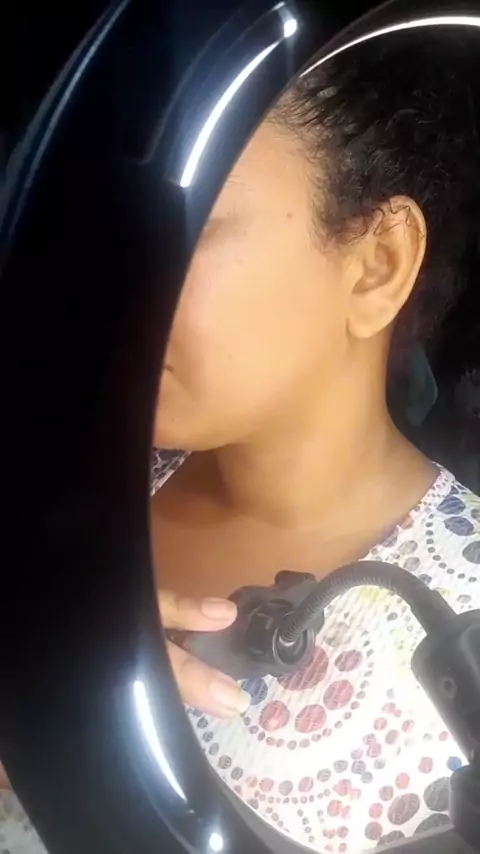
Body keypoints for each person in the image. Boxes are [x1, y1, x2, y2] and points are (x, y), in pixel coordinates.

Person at [2, 26, 480, 854]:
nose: (100, 291)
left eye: (177, 229)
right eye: (97, 234)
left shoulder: (463, 619)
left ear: (377, 263)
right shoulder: (56, 464)